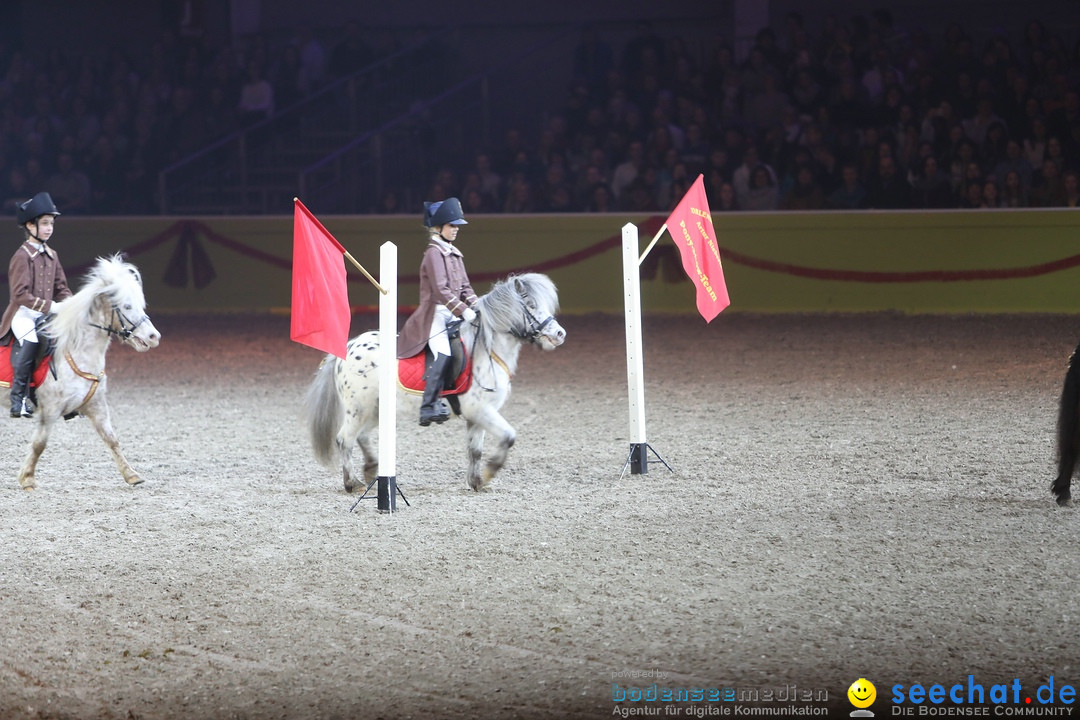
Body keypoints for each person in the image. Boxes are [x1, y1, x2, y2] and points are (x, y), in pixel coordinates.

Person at [397, 197, 477, 427]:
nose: (456, 230)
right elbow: (441, 291)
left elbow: (465, 287)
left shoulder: (453, 253)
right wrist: (464, 311)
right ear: (439, 227)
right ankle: (428, 406)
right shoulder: (433, 253)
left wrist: (477, 306)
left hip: (453, 313)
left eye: (456, 226)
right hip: (435, 314)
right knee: (444, 353)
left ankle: (458, 396)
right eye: (452, 226)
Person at [0, 192, 71, 418]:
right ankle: (18, 399)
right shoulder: (21, 256)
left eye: (51, 224)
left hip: (44, 314)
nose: (49, 228)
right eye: (44, 224)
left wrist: (71, 306)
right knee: (31, 340)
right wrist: (50, 306)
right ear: (30, 225)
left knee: (65, 339)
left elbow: (61, 287)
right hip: (22, 314)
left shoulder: (52, 254)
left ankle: (68, 397)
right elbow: (20, 294)